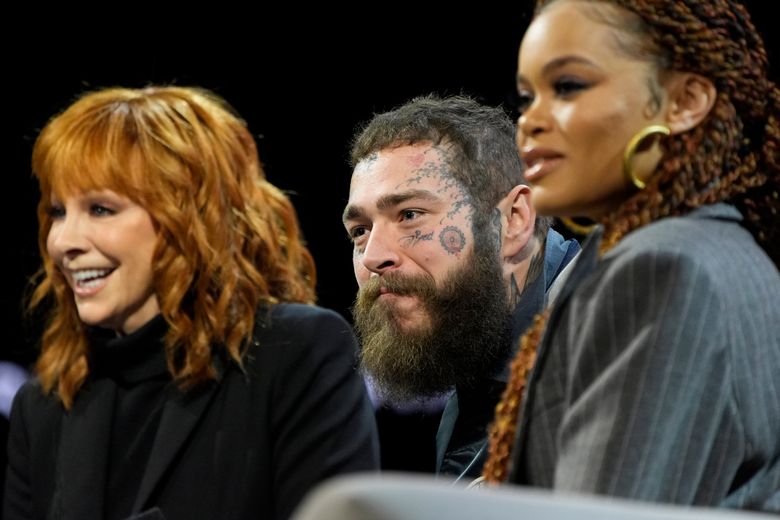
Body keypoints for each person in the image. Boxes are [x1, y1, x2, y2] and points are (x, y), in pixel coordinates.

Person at [3, 86, 380, 520]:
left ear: (188, 214)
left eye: (101, 209)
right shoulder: (45, 403)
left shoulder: (295, 353)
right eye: (57, 212)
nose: (63, 242)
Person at [480, 0, 780, 512]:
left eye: (568, 86)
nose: (529, 122)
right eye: (527, 96)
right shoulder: (702, 248)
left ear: (685, 101)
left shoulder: (664, 269)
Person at [342, 95, 580, 481]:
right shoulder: (472, 369)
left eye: (409, 215)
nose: (372, 256)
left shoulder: (612, 331)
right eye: (360, 231)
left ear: (514, 220)